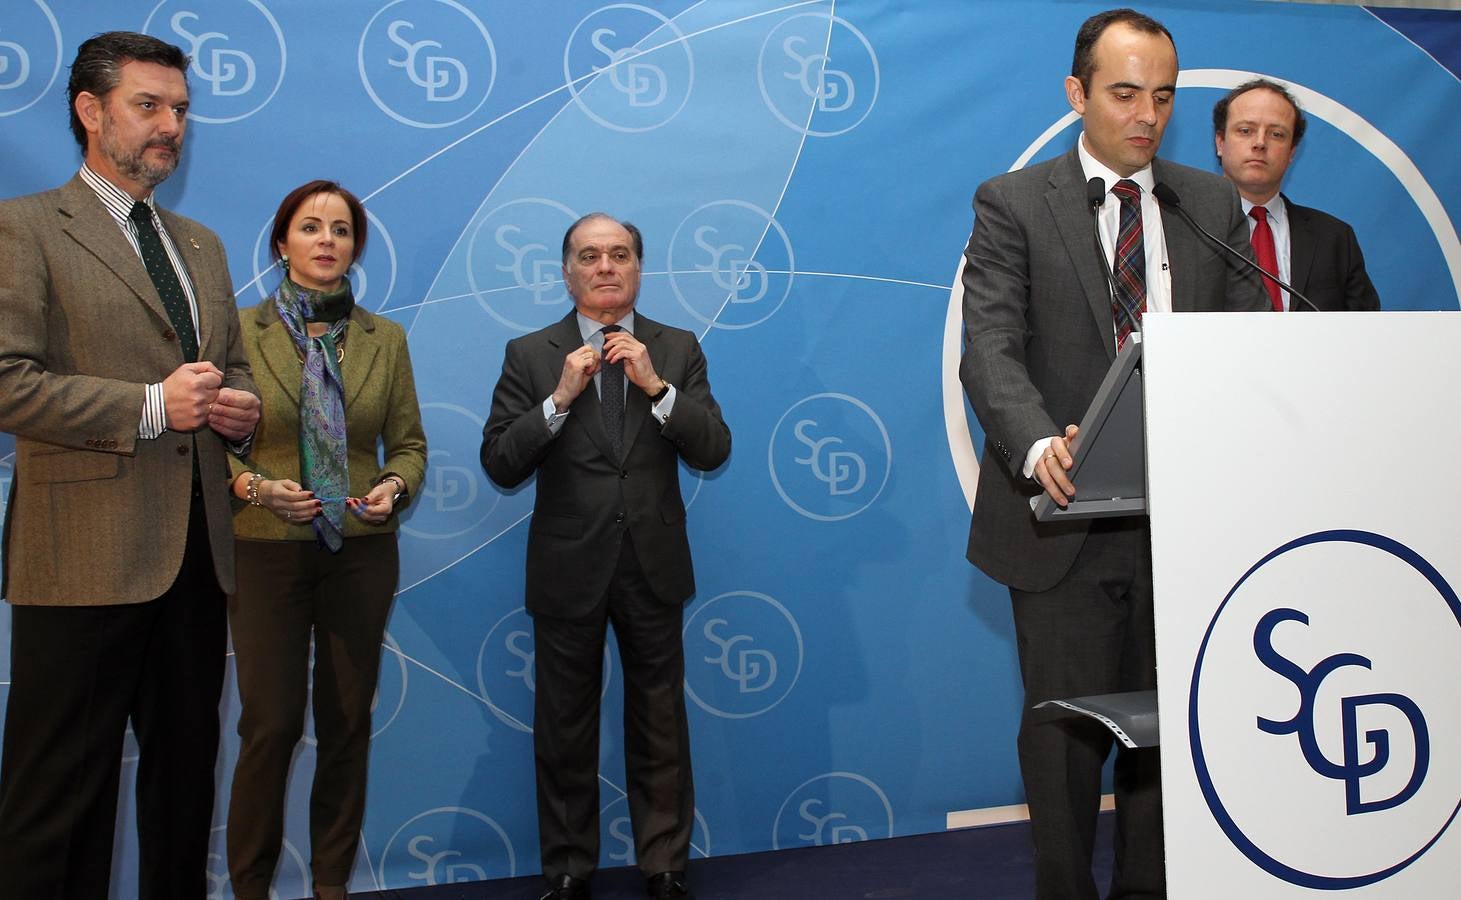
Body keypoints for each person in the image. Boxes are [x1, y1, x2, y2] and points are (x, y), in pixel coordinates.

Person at [959, 9, 1267, 899]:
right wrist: (1032, 440)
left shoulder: (1207, 204)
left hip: (1184, 528)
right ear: (1076, 94)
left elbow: (1246, 343)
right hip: (1061, 525)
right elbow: (989, 346)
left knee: (1170, 731)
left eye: (1163, 97)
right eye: (1125, 93)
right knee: (1063, 739)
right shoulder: (1012, 201)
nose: (1147, 115)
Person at [0, 31, 260, 898]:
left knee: (184, 792)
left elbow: (231, 373)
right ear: (89, 110)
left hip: (196, 560)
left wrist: (240, 407)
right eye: (148, 105)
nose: (170, 126)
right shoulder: (24, 226)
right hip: (79, 561)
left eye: (180, 110)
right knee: (58, 804)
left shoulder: (204, 246)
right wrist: (150, 405)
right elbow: (6, 381)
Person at [480, 213, 730, 900]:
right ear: (567, 272)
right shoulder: (531, 353)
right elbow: (500, 462)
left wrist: (656, 388)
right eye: (589, 256)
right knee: (564, 725)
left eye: (619, 254)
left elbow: (713, 448)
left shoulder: (676, 348)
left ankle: (664, 864)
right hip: (568, 566)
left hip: (651, 561)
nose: (605, 267)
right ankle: (566, 866)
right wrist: (557, 400)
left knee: (659, 722)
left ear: (638, 269)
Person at [223, 180, 426, 900]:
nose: (326, 241)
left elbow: (407, 446)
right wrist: (254, 486)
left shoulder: (384, 339)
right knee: (270, 725)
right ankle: (248, 885)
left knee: (345, 724)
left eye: (340, 230)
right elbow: (208, 448)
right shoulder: (237, 332)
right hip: (264, 547)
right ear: (282, 243)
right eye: (310, 227)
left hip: (361, 554)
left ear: (355, 248)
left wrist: (393, 489)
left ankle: (332, 884)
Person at [1213, 77, 1381, 311]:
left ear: (1292, 151)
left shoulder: (1335, 239)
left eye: (1276, 134)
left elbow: (1369, 333)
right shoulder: (1185, 229)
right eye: (1245, 130)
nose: (1260, 143)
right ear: (1220, 142)